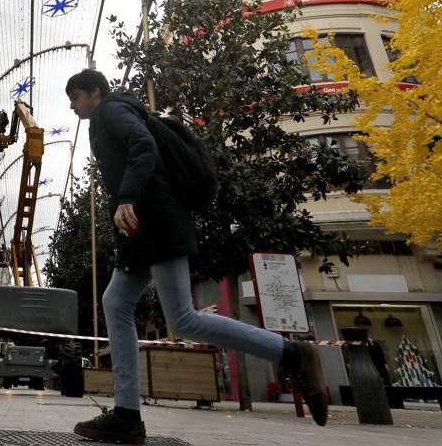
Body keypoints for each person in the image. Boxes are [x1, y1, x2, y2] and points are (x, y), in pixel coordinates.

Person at [65, 69, 328, 444]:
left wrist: (126, 197)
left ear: (95, 92)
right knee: (116, 302)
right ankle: (126, 415)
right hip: (142, 232)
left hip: (155, 224)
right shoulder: (115, 114)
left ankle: (291, 354)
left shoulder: (111, 111)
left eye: (75, 97)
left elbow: (143, 145)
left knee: (183, 319)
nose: (72, 106)